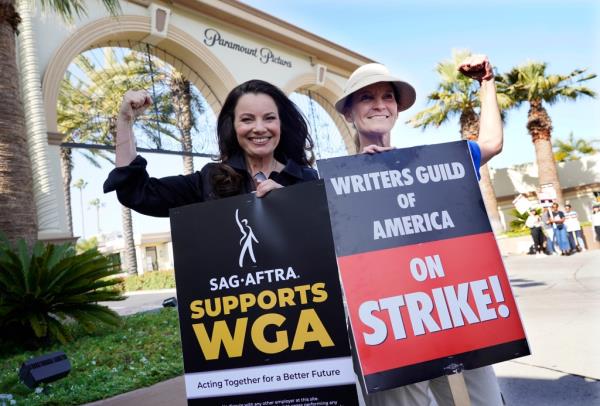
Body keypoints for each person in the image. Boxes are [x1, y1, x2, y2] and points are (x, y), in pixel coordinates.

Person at [334, 55, 504, 405]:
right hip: (385, 325)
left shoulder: (432, 164)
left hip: (453, 312)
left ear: (397, 108)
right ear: (348, 113)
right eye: (366, 97)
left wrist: (487, 84)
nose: (379, 105)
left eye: (387, 97)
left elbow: (490, 144)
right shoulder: (332, 180)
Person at [104, 79, 318, 215]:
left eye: (269, 118)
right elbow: (138, 193)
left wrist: (293, 204)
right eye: (247, 119)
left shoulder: (309, 181)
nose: (259, 128)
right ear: (232, 126)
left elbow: (336, 237)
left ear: (281, 123)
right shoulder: (210, 181)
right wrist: (125, 120)